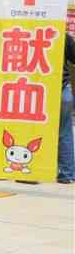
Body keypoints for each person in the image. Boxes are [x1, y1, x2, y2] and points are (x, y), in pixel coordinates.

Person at [57, 33, 75, 184]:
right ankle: (67, 174)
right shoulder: (64, 36)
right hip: (64, 90)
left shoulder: (27, 33)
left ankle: (35, 171)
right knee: (65, 132)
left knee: (35, 130)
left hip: (37, 92)